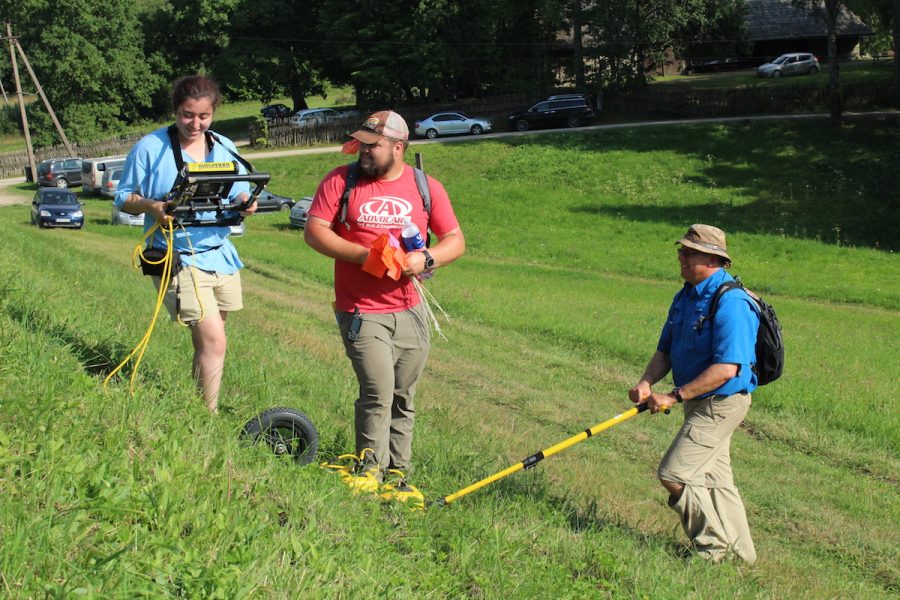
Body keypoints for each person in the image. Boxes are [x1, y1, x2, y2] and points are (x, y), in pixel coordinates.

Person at [304, 110, 465, 483]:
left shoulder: (426, 187)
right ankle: (367, 472)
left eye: (373, 145)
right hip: (360, 310)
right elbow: (315, 232)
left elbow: (455, 241)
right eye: (362, 143)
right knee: (378, 391)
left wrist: (424, 257)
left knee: (403, 397)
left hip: (411, 310)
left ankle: (398, 477)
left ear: (398, 147)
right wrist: (364, 256)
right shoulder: (341, 181)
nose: (364, 150)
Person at [114, 74, 257, 414]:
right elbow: (122, 197)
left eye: (203, 116)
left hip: (219, 253)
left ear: (213, 113)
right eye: (187, 115)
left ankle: (197, 409)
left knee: (211, 340)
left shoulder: (223, 145)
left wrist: (244, 200)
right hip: (176, 255)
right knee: (214, 340)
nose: (195, 123)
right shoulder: (150, 147)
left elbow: (235, 186)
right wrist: (151, 206)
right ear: (176, 110)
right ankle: (208, 416)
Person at [629, 224, 758, 564]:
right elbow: (665, 351)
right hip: (698, 400)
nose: (681, 257)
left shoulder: (731, 302)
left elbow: (728, 369)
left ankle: (713, 551)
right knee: (716, 480)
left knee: (674, 474)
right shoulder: (686, 295)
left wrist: (674, 395)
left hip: (722, 402)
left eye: (689, 252)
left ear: (714, 259)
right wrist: (647, 382)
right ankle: (742, 556)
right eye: (681, 251)